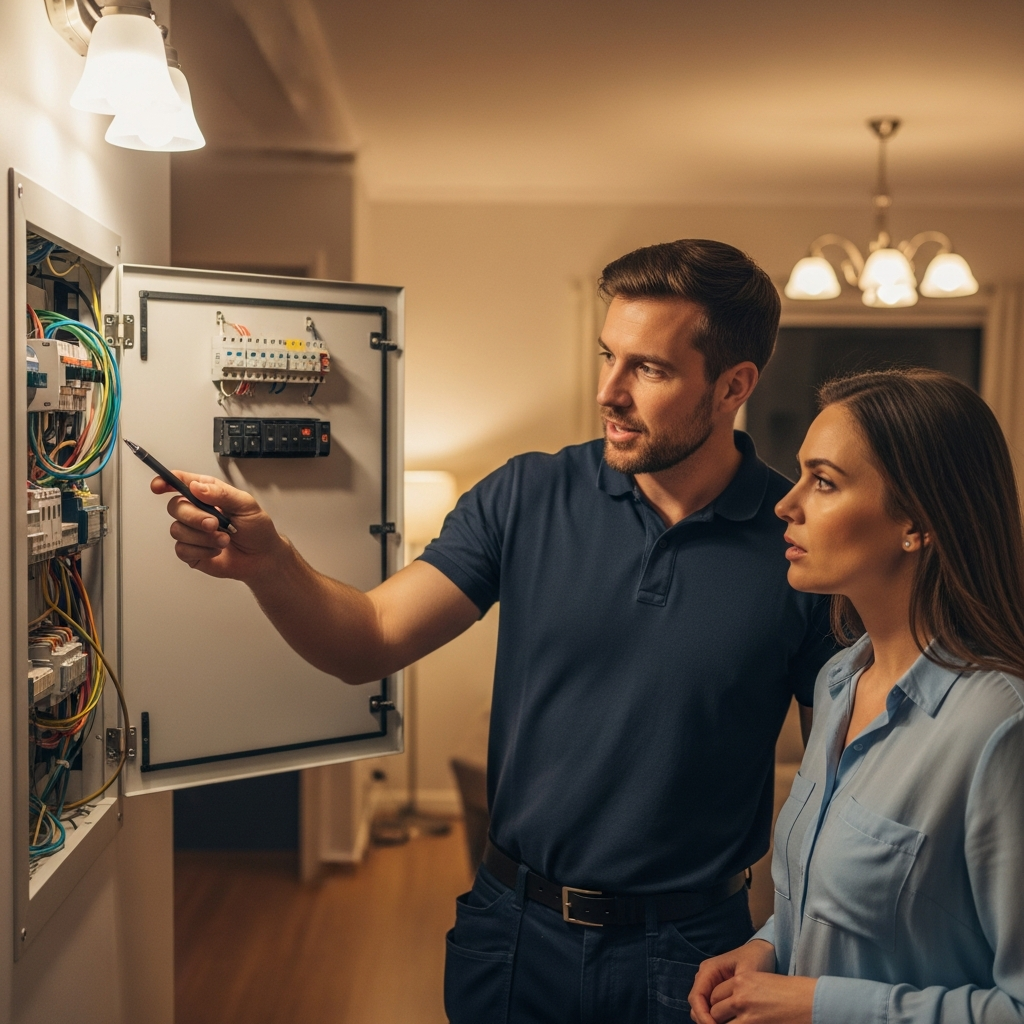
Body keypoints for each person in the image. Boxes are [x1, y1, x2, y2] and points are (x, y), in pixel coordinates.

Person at [153, 239, 837, 1024]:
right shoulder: (527, 495)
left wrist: (791, 941)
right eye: (607, 356)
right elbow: (368, 639)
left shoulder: (798, 542)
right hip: (513, 932)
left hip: (694, 951)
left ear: (734, 386)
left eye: (648, 369)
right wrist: (270, 564)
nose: (608, 391)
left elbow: (836, 790)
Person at [688, 368, 1024, 1024]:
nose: (787, 505)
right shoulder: (839, 681)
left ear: (918, 523)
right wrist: (767, 945)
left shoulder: (999, 730)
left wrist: (818, 1005)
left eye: (825, 481)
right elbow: (831, 900)